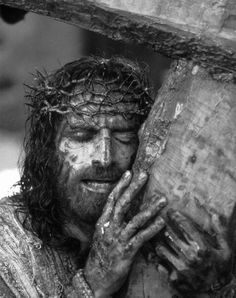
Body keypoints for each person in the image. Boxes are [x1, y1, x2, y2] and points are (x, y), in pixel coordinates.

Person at [0, 57, 234, 298]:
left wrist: (216, 286)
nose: (105, 157)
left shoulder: (168, 237)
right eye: (82, 135)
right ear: (46, 150)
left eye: (123, 135)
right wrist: (95, 282)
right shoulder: (6, 244)